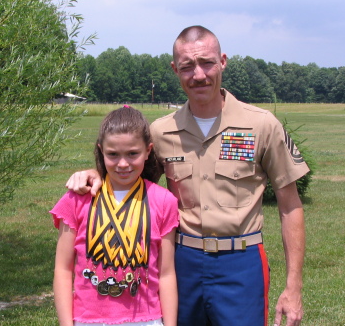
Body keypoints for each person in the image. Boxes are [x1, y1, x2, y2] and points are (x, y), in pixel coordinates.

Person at [66, 26, 309, 326]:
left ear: (223, 61)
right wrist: (97, 173)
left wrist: (293, 287)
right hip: (182, 263)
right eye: (187, 66)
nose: (198, 75)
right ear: (175, 70)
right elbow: (129, 178)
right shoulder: (161, 131)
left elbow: (290, 206)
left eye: (207, 62)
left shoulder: (262, 126)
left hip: (242, 263)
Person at [51, 106, 179, 326]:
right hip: (87, 319)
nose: (122, 164)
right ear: (101, 150)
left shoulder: (164, 201)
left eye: (132, 154)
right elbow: (63, 269)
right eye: (113, 154)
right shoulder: (77, 200)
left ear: (148, 151)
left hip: (146, 319)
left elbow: (167, 274)